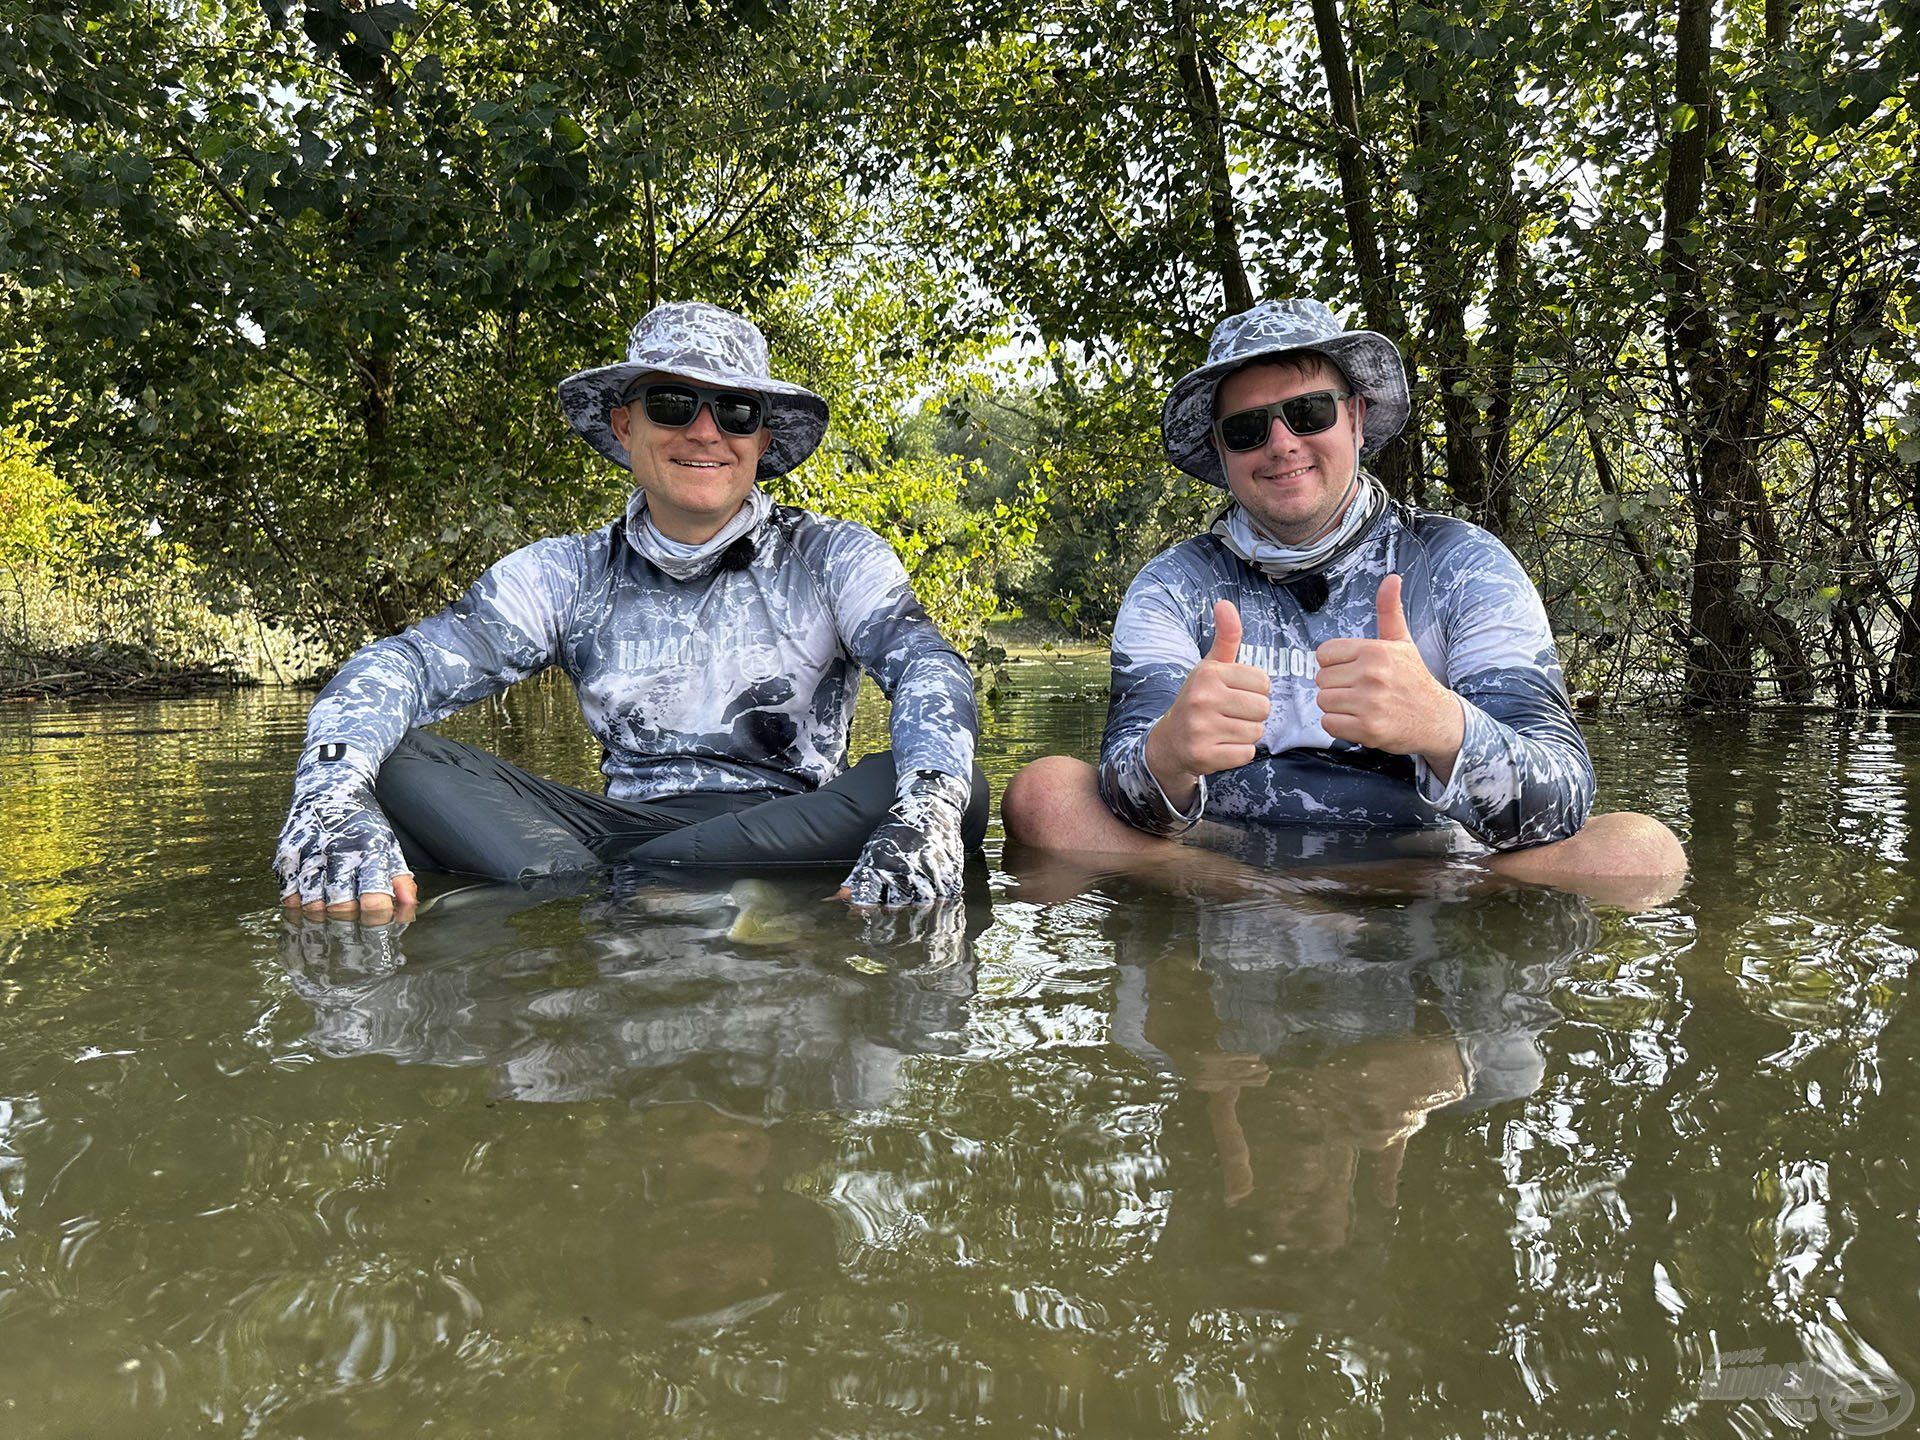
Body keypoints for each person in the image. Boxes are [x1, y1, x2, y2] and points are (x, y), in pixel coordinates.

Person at [274, 301, 988, 918]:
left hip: (793, 824)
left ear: (762, 441)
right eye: (674, 404)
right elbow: (406, 663)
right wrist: (332, 800)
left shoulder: (833, 554)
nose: (706, 432)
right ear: (624, 426)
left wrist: (924, 815)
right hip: (610, 827)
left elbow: (928, 666)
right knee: (388, 757)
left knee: (952, 788)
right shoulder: (565, 572)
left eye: (736, 412)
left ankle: (607, 890)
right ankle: (653, 881)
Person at [1002, 297, 1685, 886]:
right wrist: (1169, 754)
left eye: (1308, 412)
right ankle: (1252, 890)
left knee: (1641, 856)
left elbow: (1562, 797)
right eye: (1247, 429)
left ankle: (1320, 899)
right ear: (1223, 451)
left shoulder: (1463, 564)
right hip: (1222, 855)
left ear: (1355, 418)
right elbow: (1128, 797)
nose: (1280, 443)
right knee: (1046, 794)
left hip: (1436, 864)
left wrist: (1443, 726)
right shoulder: (1174, 586)